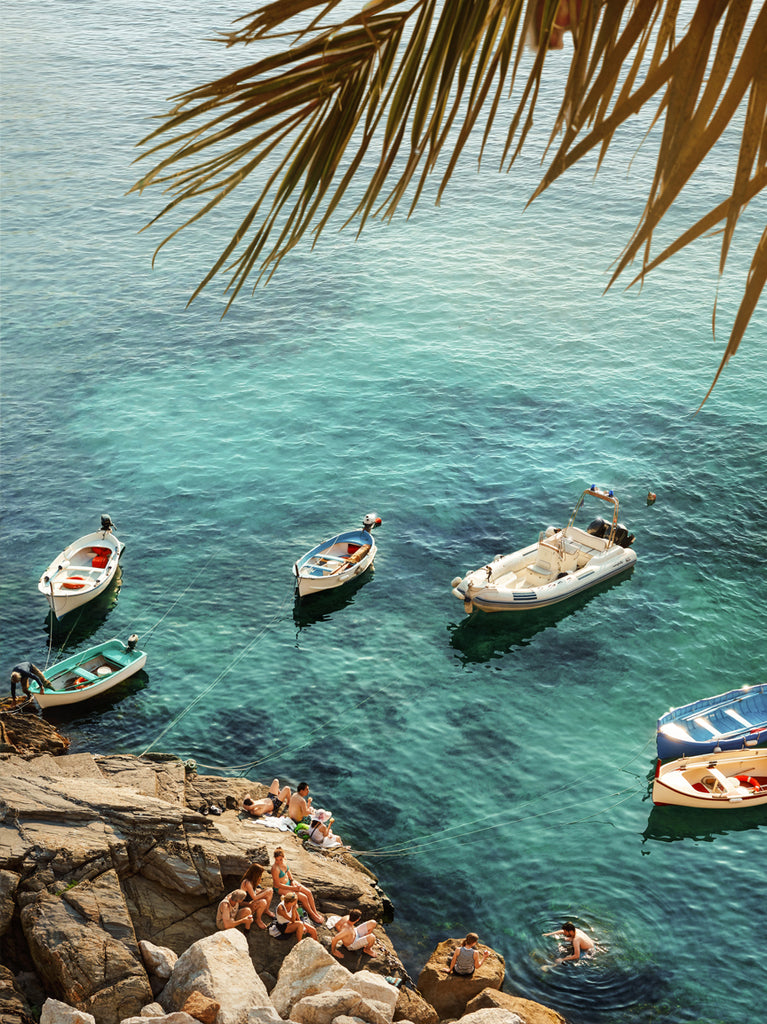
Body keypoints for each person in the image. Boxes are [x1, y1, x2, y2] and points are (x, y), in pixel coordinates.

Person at [270, 847, 324, 923]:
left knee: (308, 892)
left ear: (283, 857)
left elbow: (288, 871)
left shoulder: (285, 861)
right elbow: (277, 884)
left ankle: (315, 912)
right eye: (276, 860)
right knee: (303, 897)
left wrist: (292, 880)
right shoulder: (275, 868)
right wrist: (293, 888)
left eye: (280, 859)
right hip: (280, 888)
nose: (278, 862)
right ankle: (312, 915)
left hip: (289, 882)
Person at [239, 863, 274, 929]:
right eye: (260, 874)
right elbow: (254, 898)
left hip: (251, 900)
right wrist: (265, 892)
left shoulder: (252, 881)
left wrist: (266, 891)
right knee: (263, 901)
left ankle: (266, 910)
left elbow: (254, 891)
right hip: (246, 905)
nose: (261, 876)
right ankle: (258, 919)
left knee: (270, 890)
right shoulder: (247, 882)